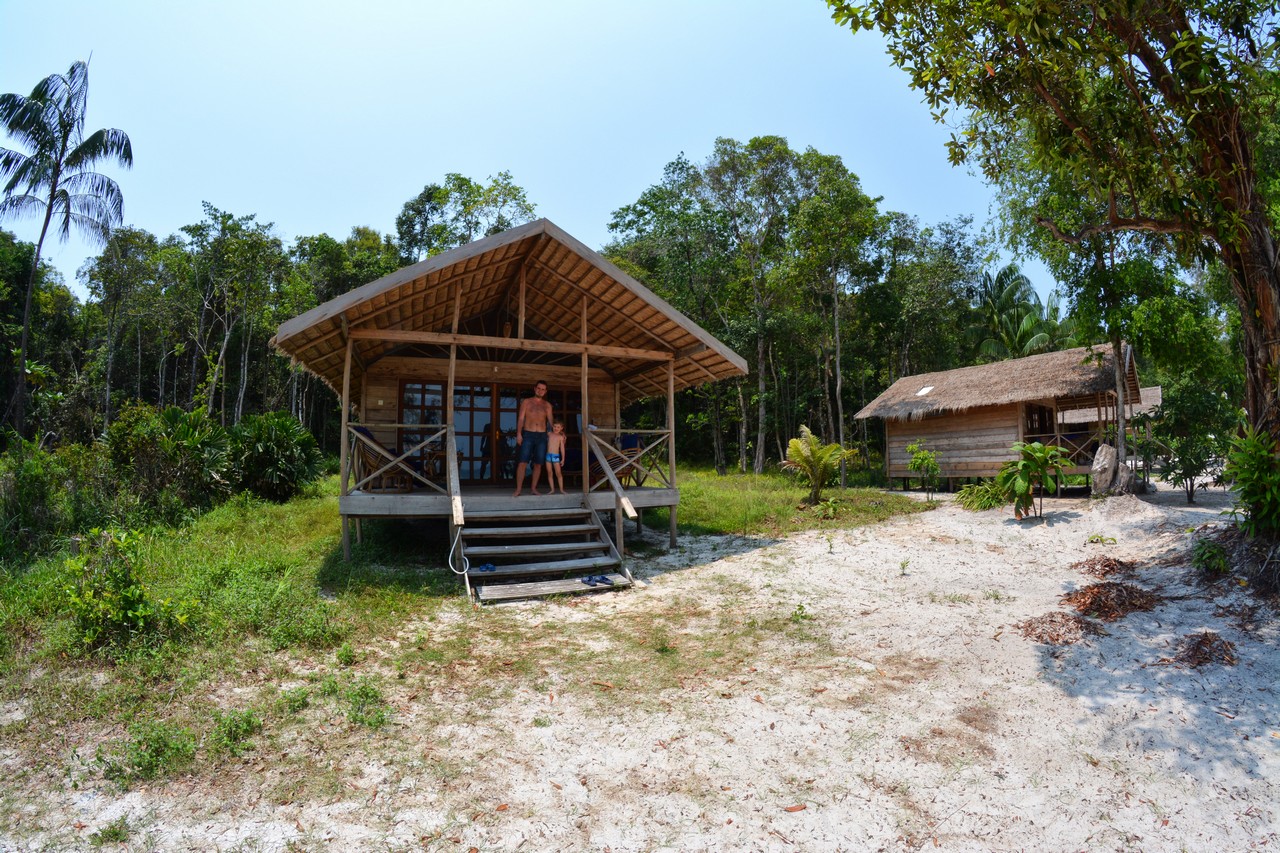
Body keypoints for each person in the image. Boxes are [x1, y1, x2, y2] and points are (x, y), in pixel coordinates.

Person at [512, 380, 553, 496]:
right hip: (528, 434)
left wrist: (556, 434)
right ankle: (518, 489)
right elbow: (521, 419)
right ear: (535, 389)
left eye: (543, 389)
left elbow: (550, 422)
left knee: (538, 463)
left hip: (541, 435)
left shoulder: (547, 405)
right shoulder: (526, 402)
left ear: (545, 391)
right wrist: (519, 433)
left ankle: (533, 488)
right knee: (522, 462)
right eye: (539, 388)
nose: (540, 391)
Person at [545, 420, 568, 495]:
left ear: (561, 428)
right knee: (549, 473)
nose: (556, 428)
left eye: (558, 427)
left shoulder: (561, 437)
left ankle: (561, 489)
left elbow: (562, 449)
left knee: (558, 473)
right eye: (554, 426)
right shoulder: (549, 434)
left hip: (555, 456)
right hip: (548, 456)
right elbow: (547, 425)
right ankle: (552, 489)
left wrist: (563, 459)